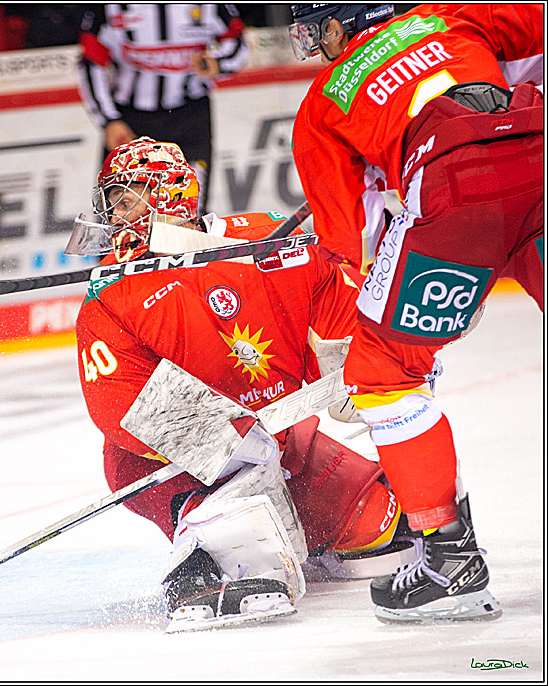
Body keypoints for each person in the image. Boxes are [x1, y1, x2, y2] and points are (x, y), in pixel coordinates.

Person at [65, 137, 410, 632]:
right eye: (112, 203)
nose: (116, 216)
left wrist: (371, 365)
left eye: (126, 199)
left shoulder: (271, 241)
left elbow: (340, 315)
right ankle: (205, 525)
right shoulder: (111, 295)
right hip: (190, 464)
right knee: (236, 538)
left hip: (288, 439)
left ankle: (293, 523)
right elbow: (119, 406)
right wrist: (228, 445)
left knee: (381, 528)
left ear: (169, 196)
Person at [287, 4, 543, 623]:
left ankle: (449, 560)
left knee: (383, 378)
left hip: (458, 189)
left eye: (310, 30)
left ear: (338, 25)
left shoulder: (324, 102)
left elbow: (349, 245)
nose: (313, 47)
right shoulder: (452, 14)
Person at [76, 4, 249, 213]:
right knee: (120, 213)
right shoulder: (110, 8)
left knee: (188, 212)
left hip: (190, 117)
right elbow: (90, 63)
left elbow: (238, 42)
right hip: (131, 122)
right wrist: (109, 120)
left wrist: (218, 63)